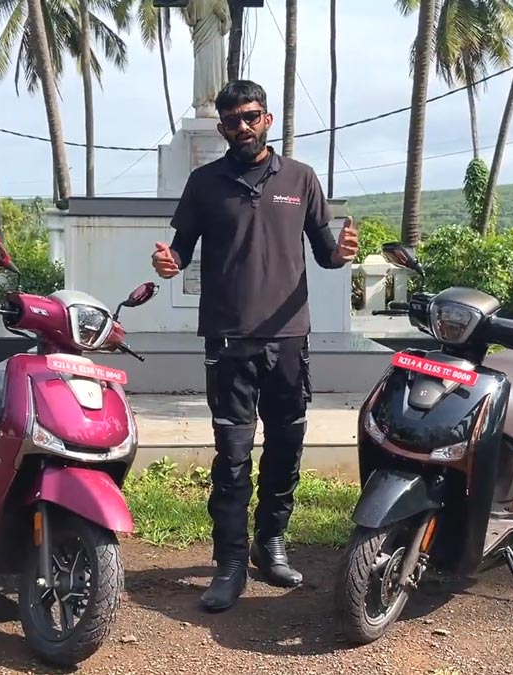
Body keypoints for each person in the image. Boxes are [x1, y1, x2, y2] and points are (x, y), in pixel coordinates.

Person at [151, 80, 358, 612]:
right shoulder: (204, 183)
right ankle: (229, 562)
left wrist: (343, 253)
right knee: (233, 455)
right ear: (221, 128)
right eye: (232, 120)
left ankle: (271, 545)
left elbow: (325, 253)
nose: (241, 126)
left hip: (288, 339)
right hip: (228, 340)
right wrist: (170, 263)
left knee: (286, 446)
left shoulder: (300, 178)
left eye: (250, 116)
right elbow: (180, 248)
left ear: (267, 119)